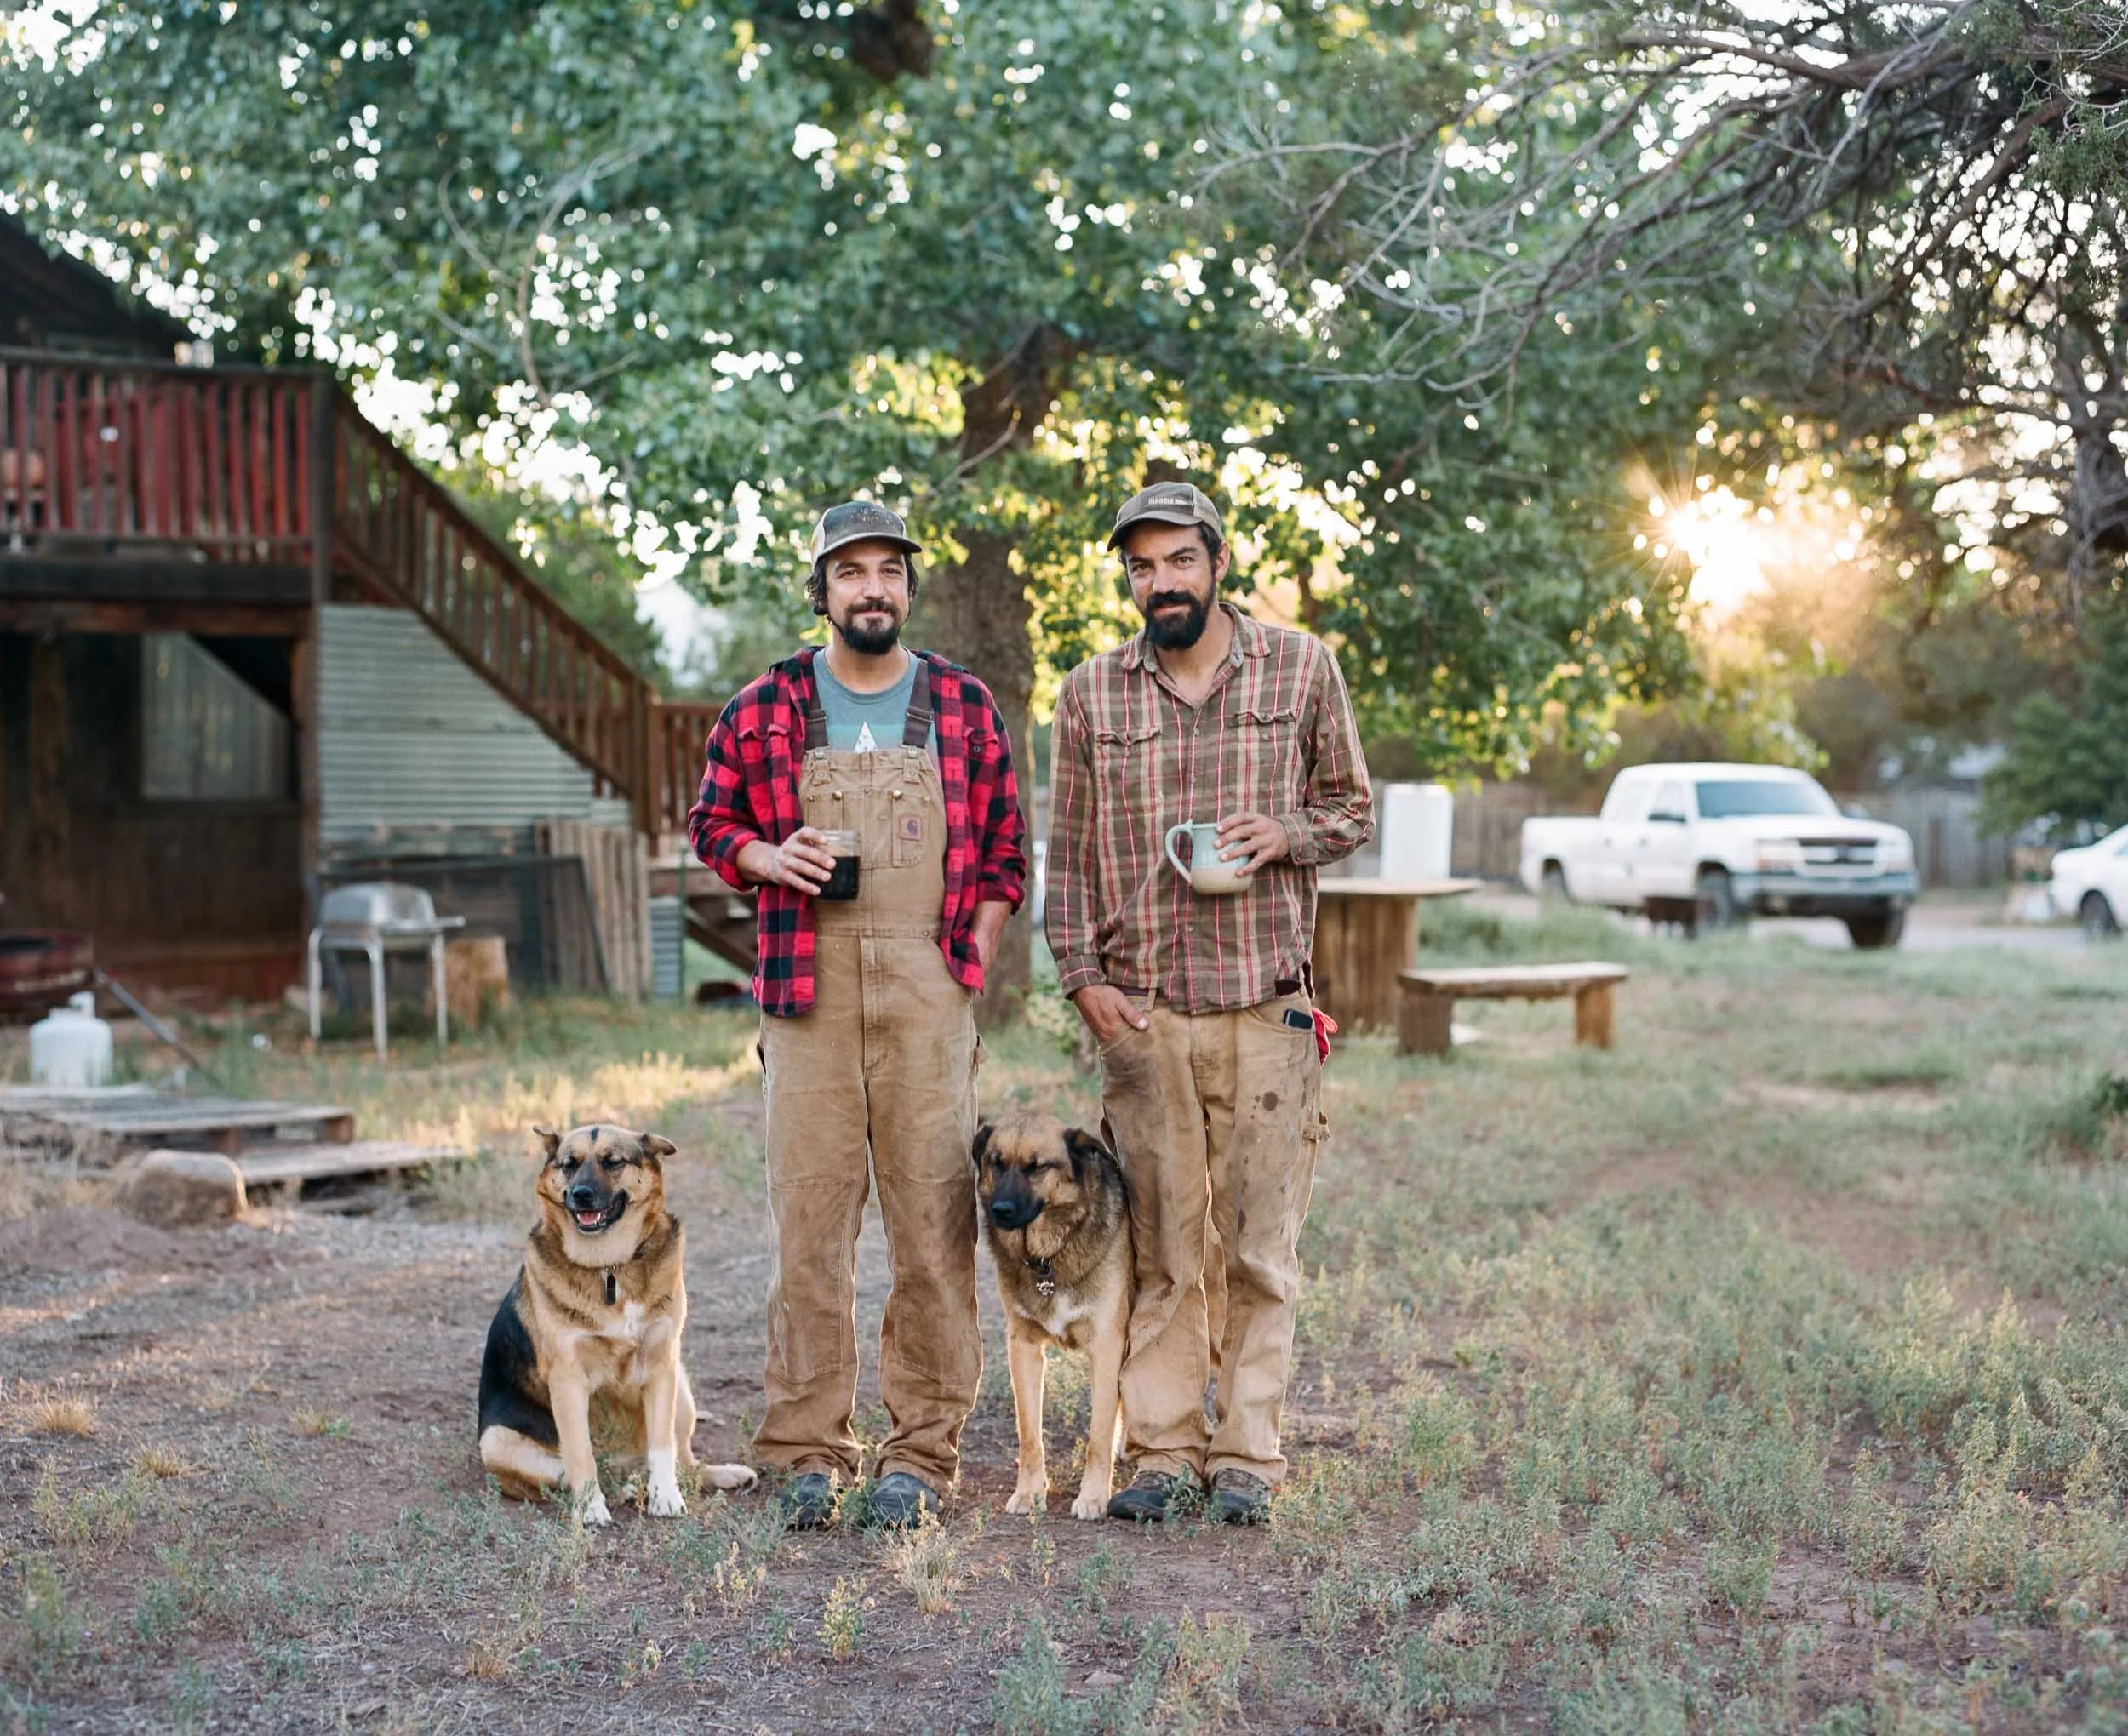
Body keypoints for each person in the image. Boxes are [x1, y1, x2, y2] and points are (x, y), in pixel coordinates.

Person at [689, 500, 1027, 1528]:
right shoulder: (767, 704)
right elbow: (711, 821)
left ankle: (921, 1454)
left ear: (908, 588)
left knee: (932, 1225)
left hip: (928, 990)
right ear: (821, 591)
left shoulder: (963, 704)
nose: (871, 587)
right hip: (808, 990)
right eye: (850, 572)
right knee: (812, 1224)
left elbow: (1008, 851)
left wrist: (976, 951)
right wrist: (763, 855)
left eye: (888, 570)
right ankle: (804, 1449)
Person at [1045, 482, 1373, 1524]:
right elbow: (1072, 858)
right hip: (1145, 1015)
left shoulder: (1300, 668)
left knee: (1258, 1248)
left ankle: (1247, 1454)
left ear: (1218, 562)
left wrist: (1287, 834)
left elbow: (1351, 807)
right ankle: (1160, 1451)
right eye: (1142, 567)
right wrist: (1082, 977)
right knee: (1160, 1248)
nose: (1160, 582)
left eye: (1178, 560)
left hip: (1268, 1008)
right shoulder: (1093, 695)